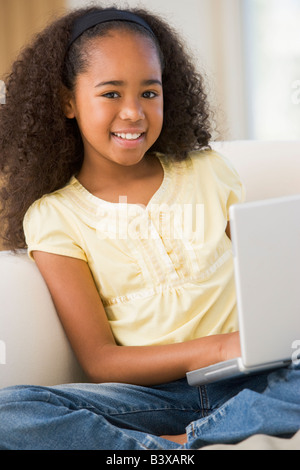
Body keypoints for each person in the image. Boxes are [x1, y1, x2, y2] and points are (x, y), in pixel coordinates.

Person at [0, 6, 299, 451]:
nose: (134, 113)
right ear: (67, 101)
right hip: (152, 398)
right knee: (12, 412)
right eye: (111, 94)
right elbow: (100, 361)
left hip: (251, 377)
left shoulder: (208, 171)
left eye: (149, 92)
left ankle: (175, 445)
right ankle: (178, 442)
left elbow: (267, 285)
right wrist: (217, 348)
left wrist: (253, 344)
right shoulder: (53, 216)